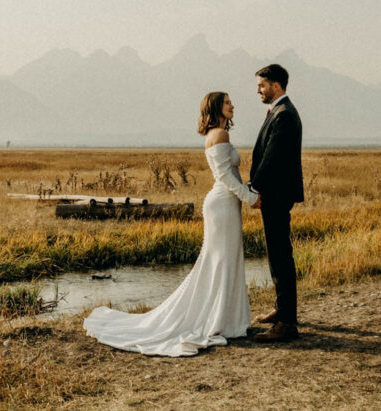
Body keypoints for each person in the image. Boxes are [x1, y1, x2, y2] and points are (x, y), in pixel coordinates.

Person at [83, 91, 260, 357]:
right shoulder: (219, 135)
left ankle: (226, 319)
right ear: (215, 107)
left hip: (226, 203)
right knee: (220, 260)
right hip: (223, 204)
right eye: (227, 102)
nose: (232, 105)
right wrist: (250, 198)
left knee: (223, 260)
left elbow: (229, 173)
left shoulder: (218, 134)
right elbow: (224, 175)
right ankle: (219, 320)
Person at [248, 63, 303, 342]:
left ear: (276, 86)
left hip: (276, 195)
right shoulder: (281, 112)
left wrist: (253, 188)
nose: (258, 90)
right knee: (276, 255)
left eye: (261, 85)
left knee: (280, 256)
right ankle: (282, 311)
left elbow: (271, 159)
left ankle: (287, 323)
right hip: (276, 194)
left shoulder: (284, 115)